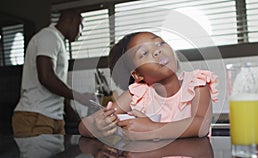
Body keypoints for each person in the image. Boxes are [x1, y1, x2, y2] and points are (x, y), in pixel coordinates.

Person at [79, 31, 218, 140]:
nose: (157, 51)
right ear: (138, 75)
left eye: (160, 43)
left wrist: (152, 129)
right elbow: (84, 125)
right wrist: (96, 127)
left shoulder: (196, 83)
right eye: (144, 53)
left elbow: (201, 125)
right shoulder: (137, 93)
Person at [12, 9, 94, 137]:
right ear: (71, 20)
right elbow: (46, 77)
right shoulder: (49, 37)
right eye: (81, 26)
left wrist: (80, 120)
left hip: (53, 118)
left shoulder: (57, 41)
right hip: (36, 116)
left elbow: (58, 89)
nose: (81, 33)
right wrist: (80, 97)